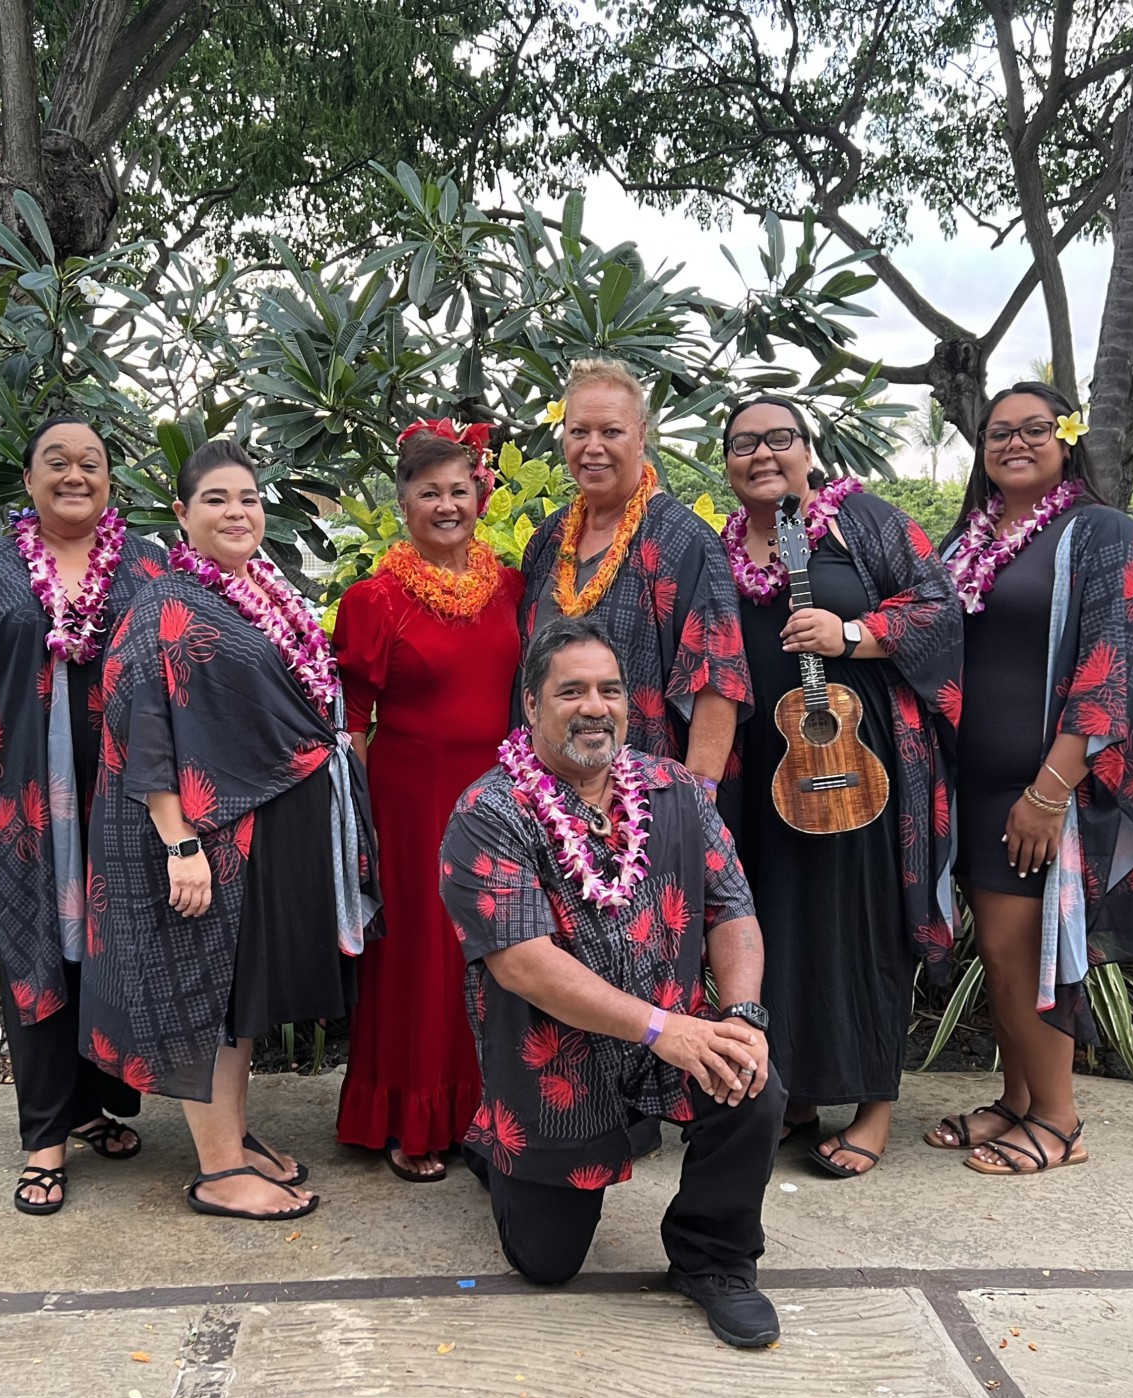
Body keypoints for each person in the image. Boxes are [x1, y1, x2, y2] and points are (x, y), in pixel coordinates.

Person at [439, 618, 783, 1348]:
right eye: (572, 691)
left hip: (676, 1025)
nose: (595, 707)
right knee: (547, 1263)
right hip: (556, 1061)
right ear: (531, 704)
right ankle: (494, 1148)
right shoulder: (489, 811)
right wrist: (662, 1029)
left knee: (754, 1083)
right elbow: (522, 962)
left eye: (610, 690)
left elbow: (733, 908)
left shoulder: (675, 790)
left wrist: (743, 1016)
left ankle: (714, 1260)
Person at [83, 439, 379, 1220]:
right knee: (204, 996)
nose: (236, 512)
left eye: (247, 497)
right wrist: (179, 843)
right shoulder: (165, 603)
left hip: (253, 833)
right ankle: (218, 1172)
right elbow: (140, 727)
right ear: (181, 514)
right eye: (215, 499)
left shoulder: (263, 589)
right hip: (199, 837)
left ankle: (235, 1139)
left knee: (237, 997)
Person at [0, 415, 164, 1216]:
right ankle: (45, 1139)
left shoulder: (148, 565)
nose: (74, 474)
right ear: (28, 481)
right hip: (16, 804)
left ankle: (92, 1106)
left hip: (124, 804)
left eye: (91, 463)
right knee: (33, 957)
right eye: (56, 462)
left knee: (109, 950)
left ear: (110, 481)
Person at [717, 395, 962, 1179]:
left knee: (863, 923)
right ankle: (792, 1093)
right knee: (774, 925)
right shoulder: (724, 547)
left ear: (809, 448)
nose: (762, 454)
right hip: (762, 765)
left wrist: (852, 634)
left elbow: (940, 608)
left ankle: (874, 1103)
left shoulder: (864, 521)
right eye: (743, 443)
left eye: (778, 438)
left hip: (854, 757)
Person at [929, 382, 1133, 1175]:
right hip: (970, 785)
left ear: (1068, 440)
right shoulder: (968, 539)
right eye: (999, 432)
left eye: (1035, 429)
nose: (1015, 443)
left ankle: (1058, 1122)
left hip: (1040, 788)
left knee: (1023, 952)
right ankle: (1016, 1101)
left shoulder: (1099, 532)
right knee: (1000, 954)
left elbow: (1109, 669)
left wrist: (1049, 791)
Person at [333, 422, 521, 1183]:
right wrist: (360, 823)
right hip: (411, 799)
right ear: (403, 505)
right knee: (421, 952)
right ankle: (410, 1116)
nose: (447, 505)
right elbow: (351, 723)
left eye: (458, 490)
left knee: (494, 948)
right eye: (429, 493)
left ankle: (487, 1112)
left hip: (500, 795)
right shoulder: (373, 600)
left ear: (480, 495)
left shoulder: (512, 588)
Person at [518, 359, 751, 790]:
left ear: (641, 436)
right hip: (541, 787)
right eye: (579, 432)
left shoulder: (684, 540)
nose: (593, 447)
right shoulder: (548, 539)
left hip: (644, 796)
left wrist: (696, 799)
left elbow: (717, 680)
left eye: (611, 432)